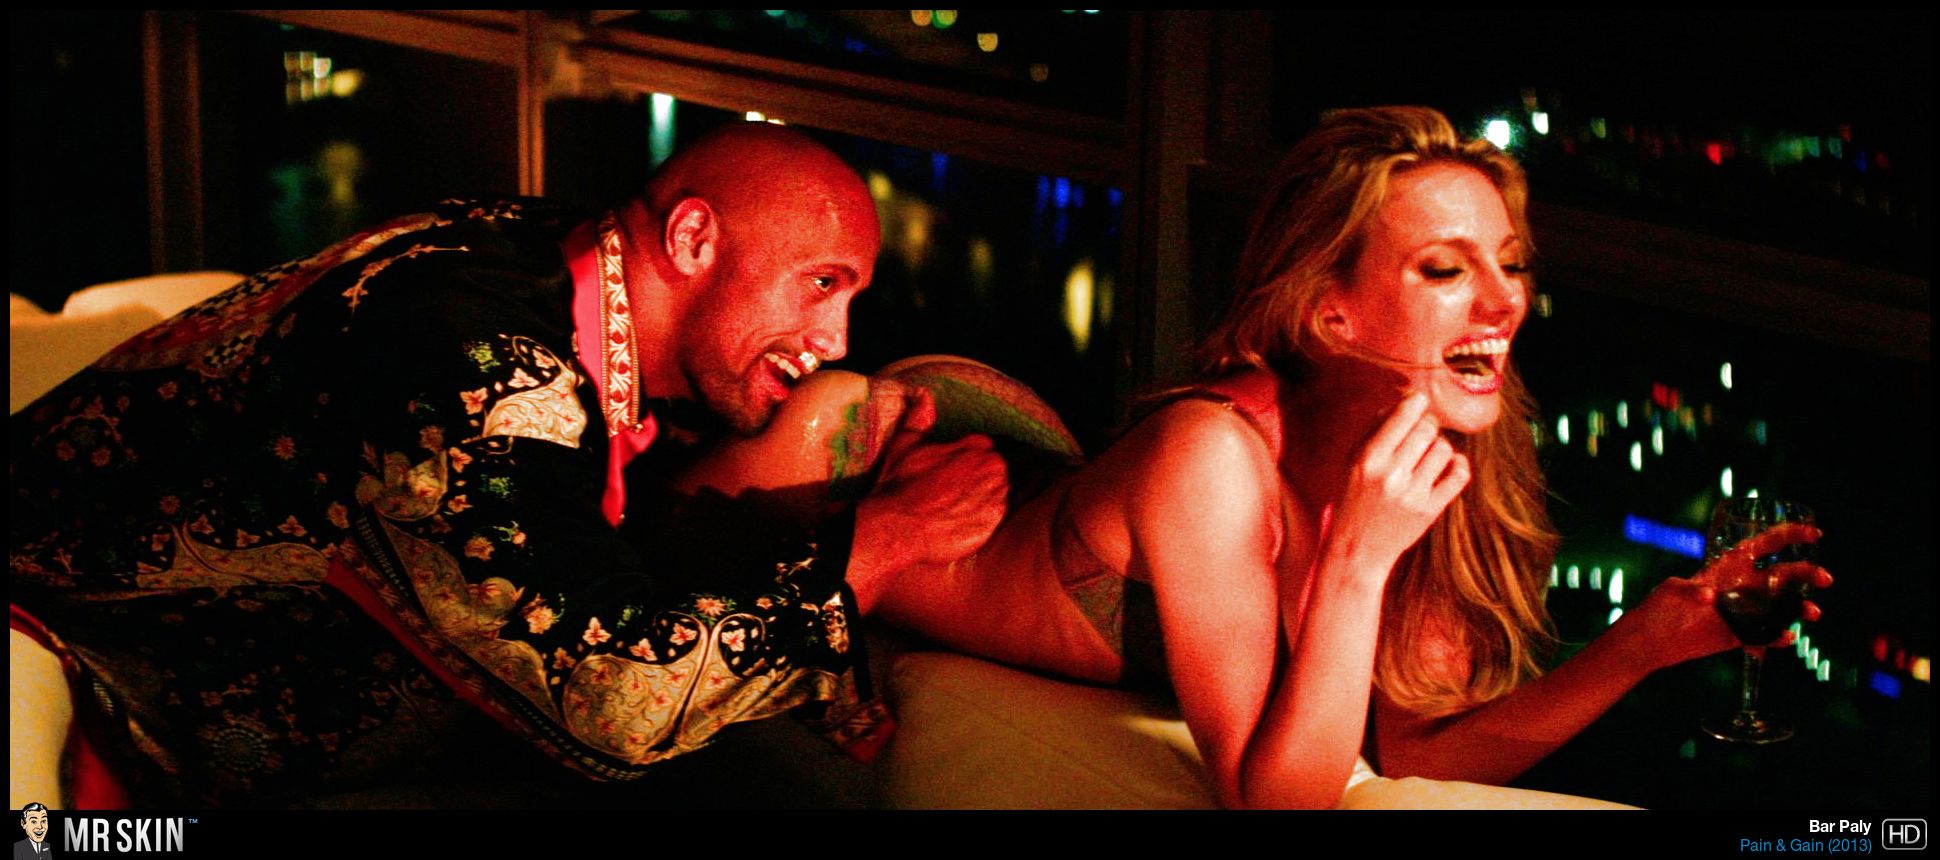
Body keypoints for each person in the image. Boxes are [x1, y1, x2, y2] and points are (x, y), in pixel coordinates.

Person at [813, 107, 1830, 809]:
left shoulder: (1435, 443)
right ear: (1328, 313)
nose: (1503, 300)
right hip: (840, 456)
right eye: (1446, 269)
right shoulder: (1209, 455)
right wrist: (1358, 557)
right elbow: (1272, 801)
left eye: (1511, 263)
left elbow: (1414, 750)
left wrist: (1645, 641)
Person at [8, 123, 991, 806]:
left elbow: (571, 498)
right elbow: (612, 693)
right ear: (692, 238)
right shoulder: (474, 365)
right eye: (820, 284)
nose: (834, 337)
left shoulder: (542, 249)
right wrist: (886, 542)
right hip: (124, 710)